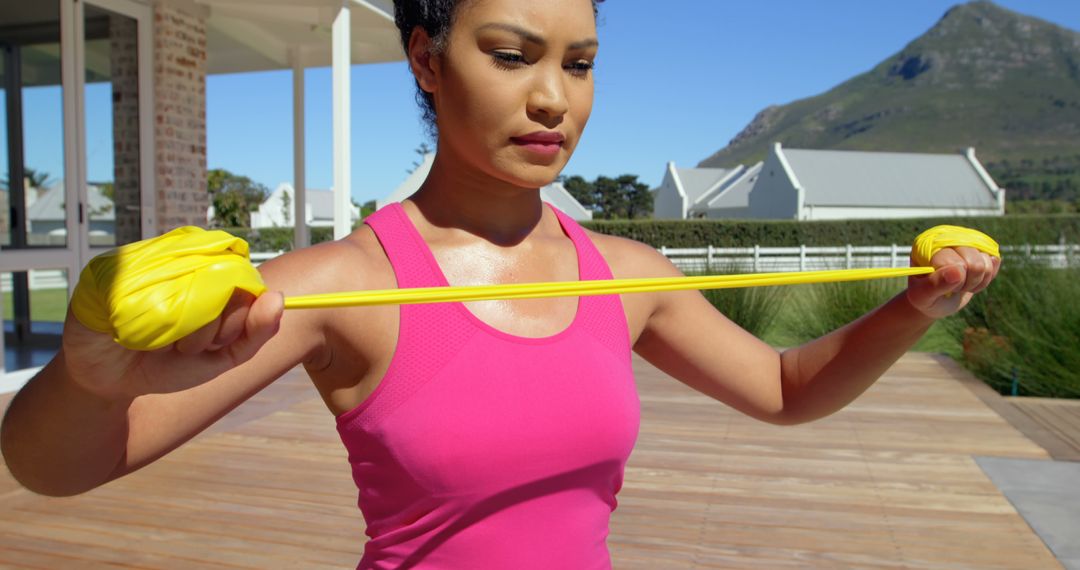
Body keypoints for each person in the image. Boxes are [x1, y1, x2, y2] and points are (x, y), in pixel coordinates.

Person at [0, 0, 1000, 568]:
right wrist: (91, 378)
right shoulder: (340, 283)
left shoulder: (628, 275)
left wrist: (914, 304)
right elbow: (56, 471)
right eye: (513, 56)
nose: (554, 98)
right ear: (428, 61)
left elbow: (787, 392)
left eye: (581, 63)